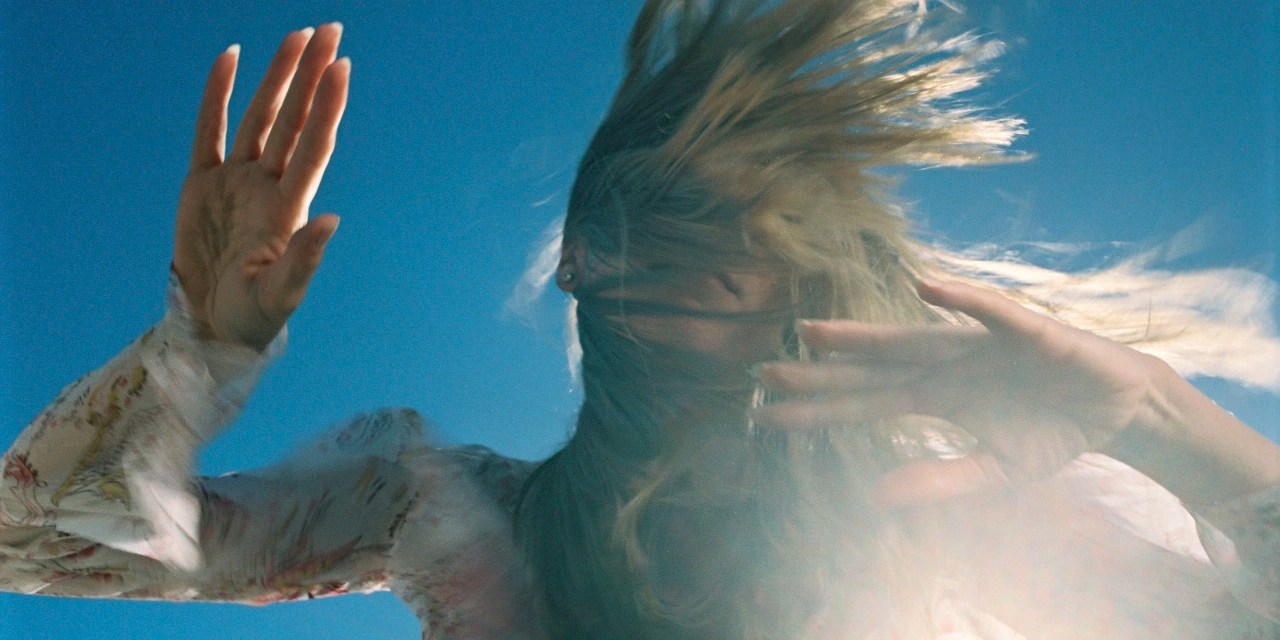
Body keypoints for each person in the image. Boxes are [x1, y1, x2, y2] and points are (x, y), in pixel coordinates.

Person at [2, 2, 1278, 639]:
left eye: (736, 246)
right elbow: (31, 543)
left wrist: (1155, 416)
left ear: (809, 276)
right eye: (630, 240)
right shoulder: (447, 509)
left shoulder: (999, 520)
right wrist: (195, 350)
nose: (687, 282)